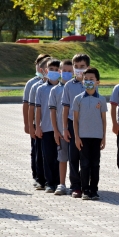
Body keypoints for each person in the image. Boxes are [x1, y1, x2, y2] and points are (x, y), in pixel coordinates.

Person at [73, 68, 107, 200]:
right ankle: (85, 189)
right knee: (85, 163)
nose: (88, 82)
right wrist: (76, 137)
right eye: (86, 79)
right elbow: (75, 120)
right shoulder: (78, 99)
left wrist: (104, 137)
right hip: (83, 137)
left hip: (97, 137)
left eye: (91, 80)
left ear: (97, 82)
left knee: (95, 164)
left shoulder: (101, 100)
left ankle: (94, 189)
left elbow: (104, 120)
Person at [62, 54, 90, 198]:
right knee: (74, 156)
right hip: (73, 123)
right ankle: (75, 186)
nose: (79, 70)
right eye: (77, 67)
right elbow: (65, 109)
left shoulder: (91, 83)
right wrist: (65, 128)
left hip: (89, 124)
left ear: (88, 67)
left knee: (87, 156)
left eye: (82, 67)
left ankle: (86, 185)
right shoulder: (68, 86)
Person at [23, 53, 50, 186]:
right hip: (36, 122)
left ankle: (49, 177)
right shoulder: (33, 84)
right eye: (39, 64)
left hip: (50, 124)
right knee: (37, 150)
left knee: (48, 151)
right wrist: (28, 124)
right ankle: (38, 176)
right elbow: (27, 105)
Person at [35, 58, 61, 193]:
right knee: (48, 156)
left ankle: (60, 182)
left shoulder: (63, 88)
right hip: (46, 127)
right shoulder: (41, 89)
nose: (54, 72)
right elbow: (38, 109)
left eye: (57, 70)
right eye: (51, 69)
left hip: (61, 129)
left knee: (60, 157)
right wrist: (38, 126)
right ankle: (50, 183)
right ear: (46, 71)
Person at [49, 59, 73, 195]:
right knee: (62, 157)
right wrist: (56, 130)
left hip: (76, 129)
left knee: (76, 158)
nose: (67, 73)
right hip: (61, 129)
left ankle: (76, 183)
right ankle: (62, 183)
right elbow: (53, 111)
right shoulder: (55, 90)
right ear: (60, 71)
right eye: (64, 71)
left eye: (70, 71)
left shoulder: (78, 87)